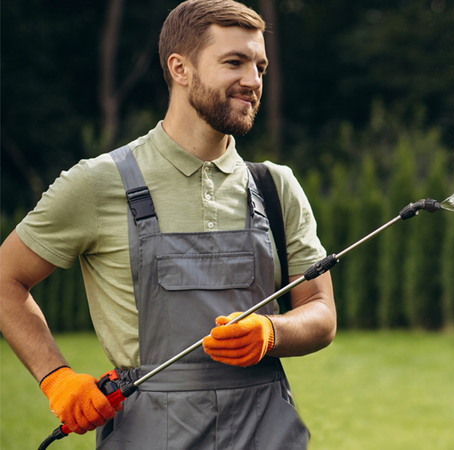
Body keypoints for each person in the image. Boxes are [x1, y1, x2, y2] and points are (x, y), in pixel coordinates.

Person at [0, 1, 336, 448]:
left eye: (260, 66)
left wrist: (272, 332)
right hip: (148, 432)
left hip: (267, 429)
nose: (253, 81)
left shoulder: (275, 187)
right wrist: (57, 379)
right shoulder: (99, 183)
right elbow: (6, 279)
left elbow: (320, 310)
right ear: (180, 68)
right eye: (234, 62)